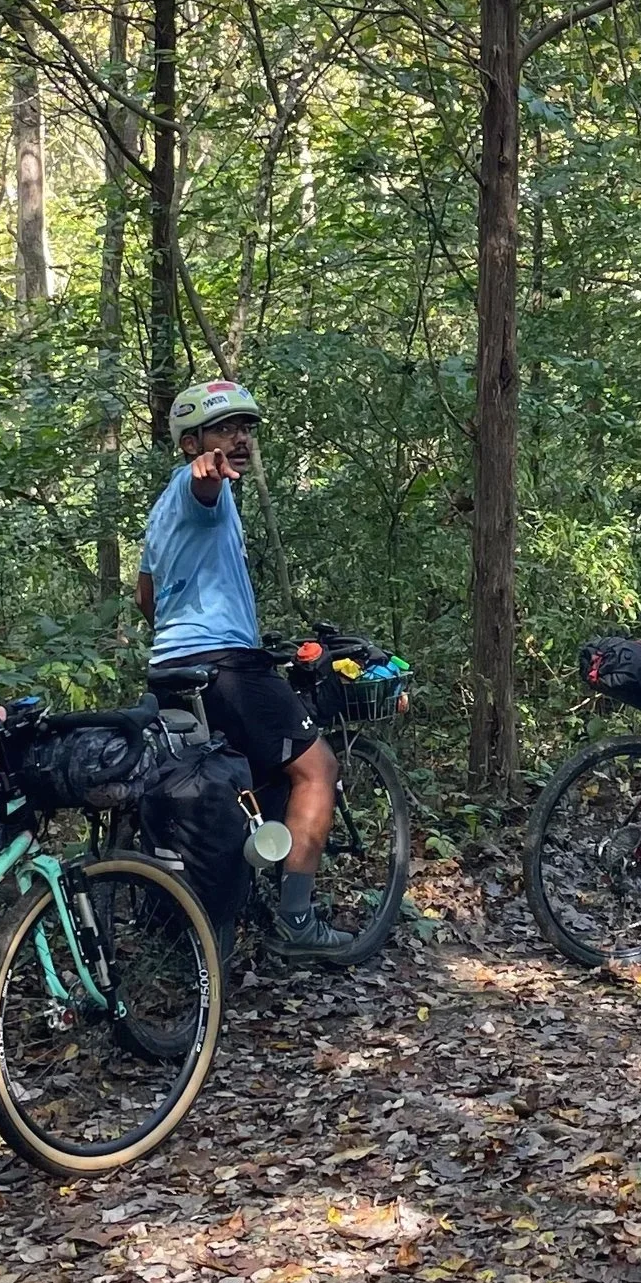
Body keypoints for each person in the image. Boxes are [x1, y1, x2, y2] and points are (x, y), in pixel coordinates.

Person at [136, 381, 360, 963]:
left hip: (171, 668)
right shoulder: (197, 489)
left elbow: (146, 597)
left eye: (246, 428)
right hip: (226, 666)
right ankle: (297, 921)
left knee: (233, 783)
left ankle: (224, 904)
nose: (240, 439)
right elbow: (203, 482)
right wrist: (206, 471)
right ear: (191, 443)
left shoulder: (161, 511)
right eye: (224, 430)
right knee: (318, 769)